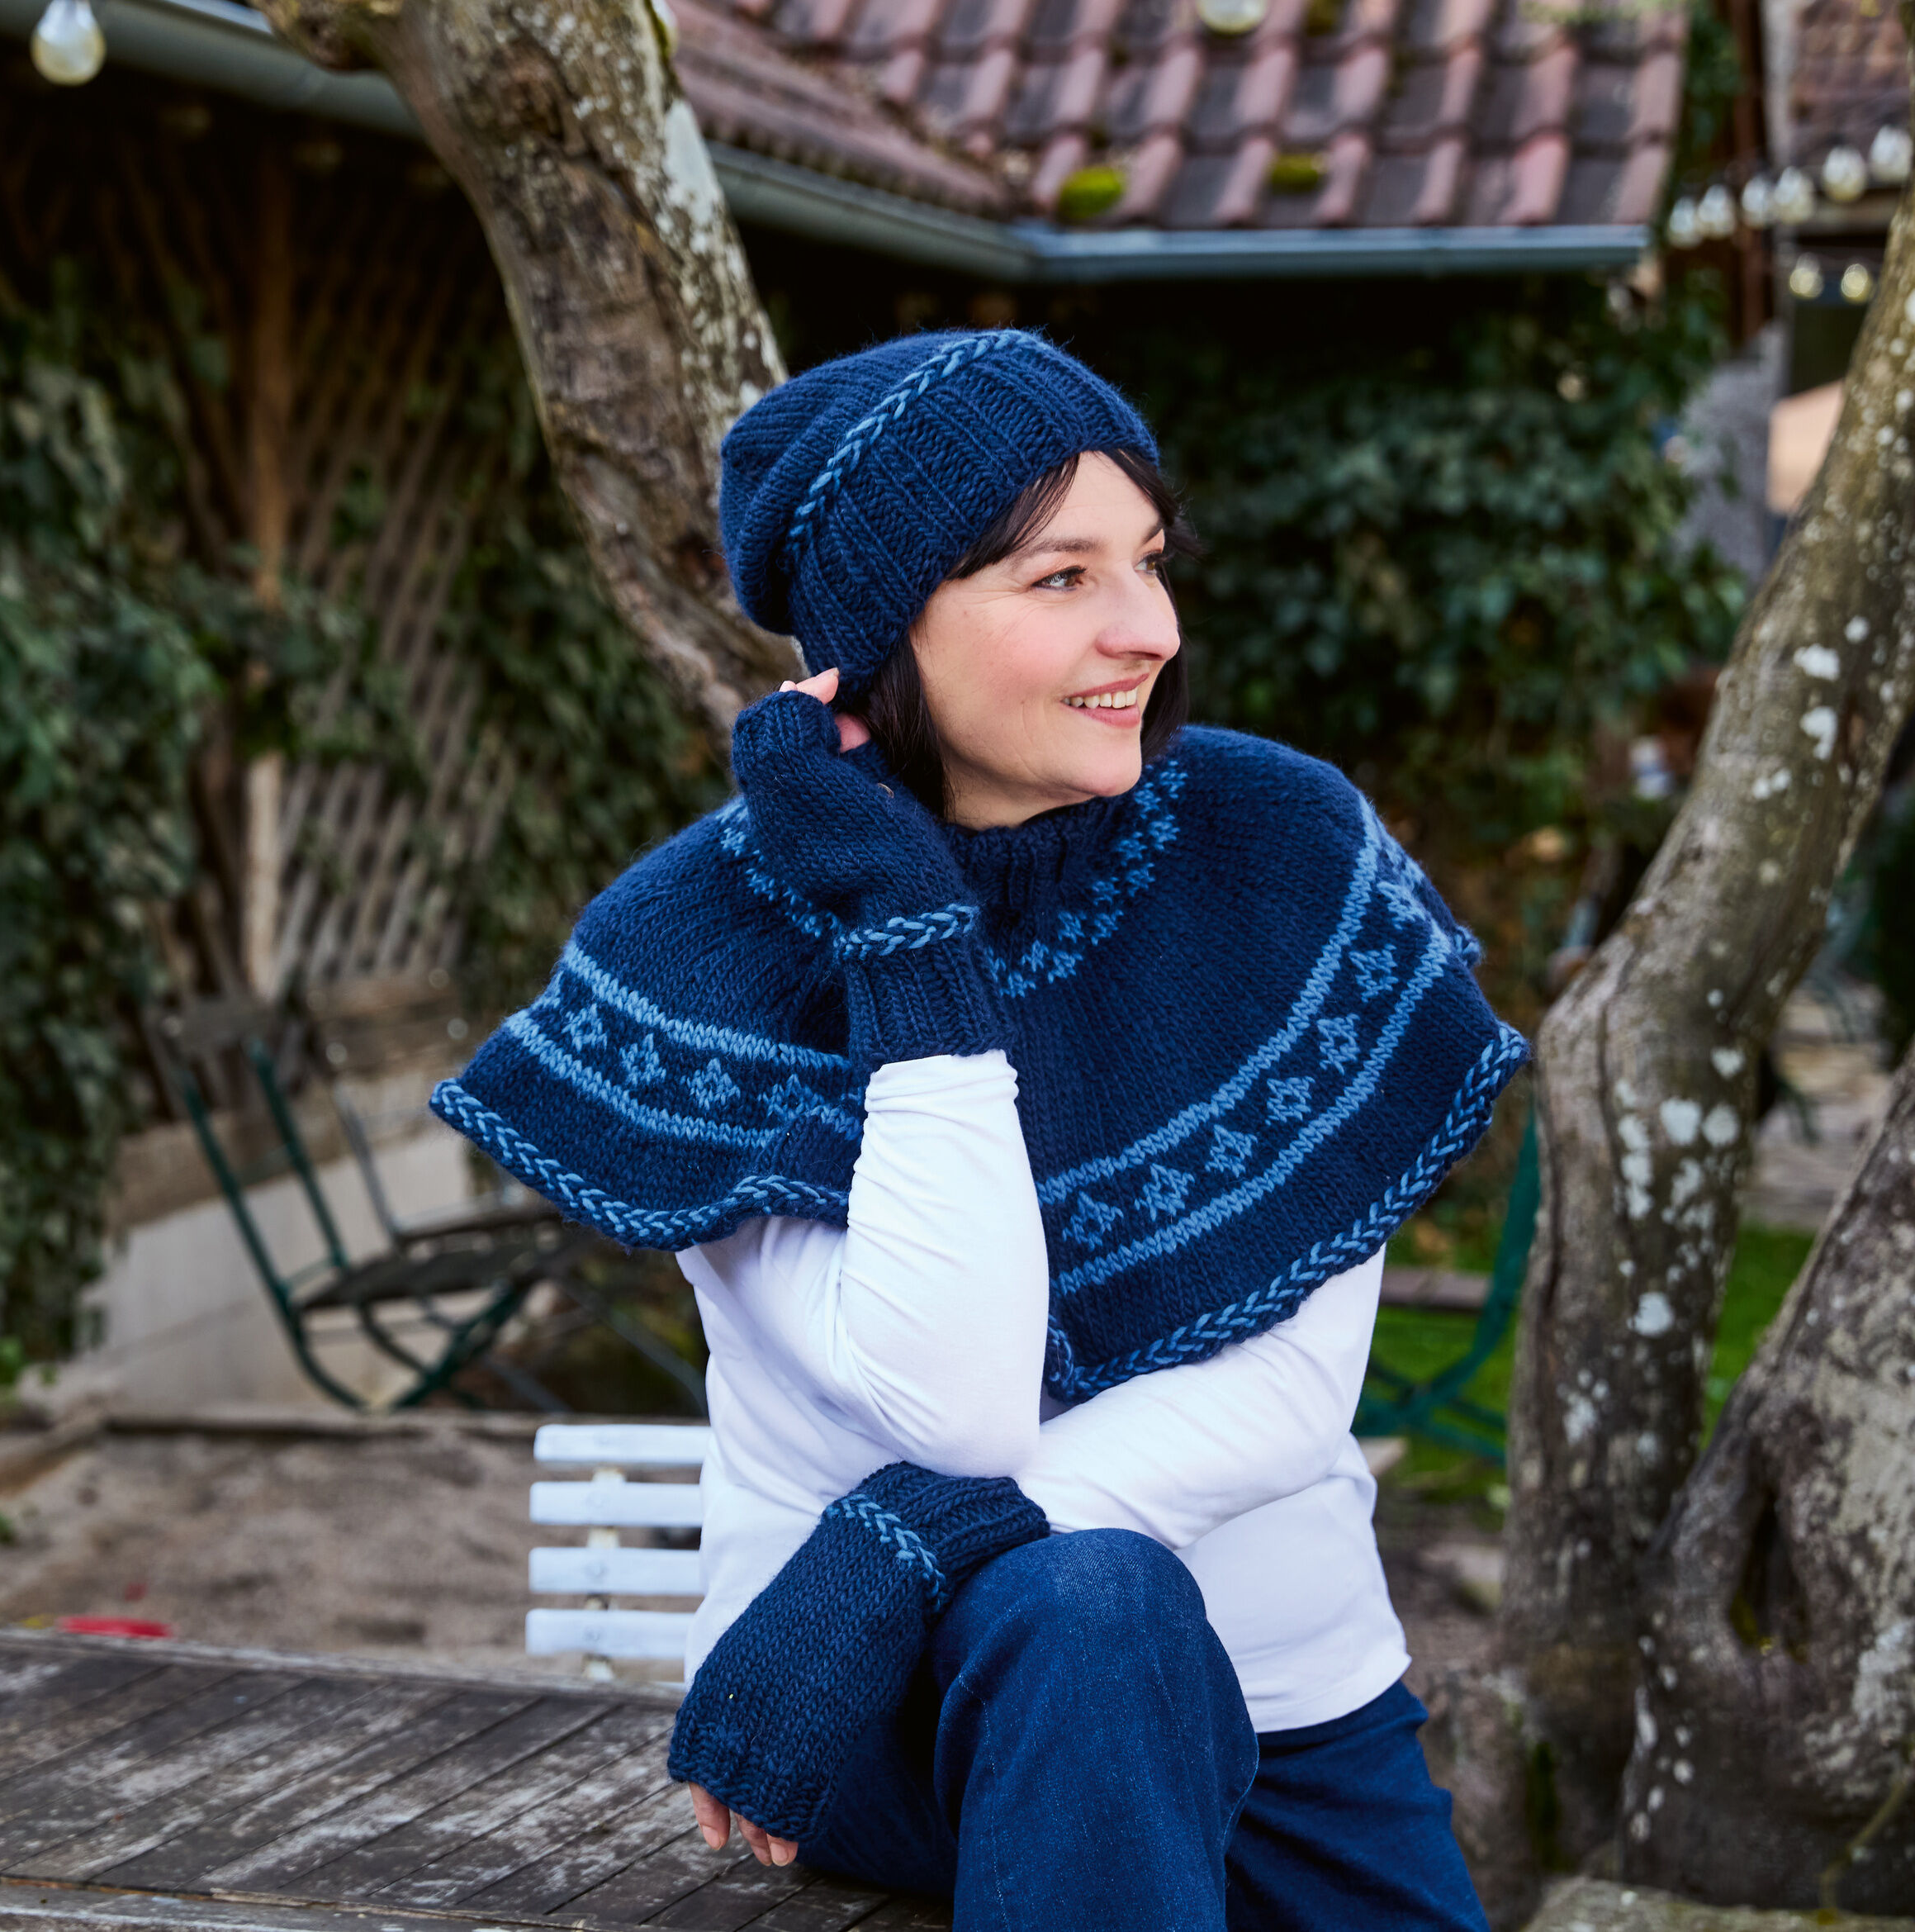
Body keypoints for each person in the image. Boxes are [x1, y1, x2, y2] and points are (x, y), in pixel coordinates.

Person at [432, 330, 1523, 1930]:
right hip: (887, 1716)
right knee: (1092, 1602)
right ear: (892, 629)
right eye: (1060, 577)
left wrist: (893, 1547)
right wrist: (906, 934)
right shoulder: (715, 953)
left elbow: (1288, 1393)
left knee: (1105, 1602)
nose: (1147, 628)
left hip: (1288, 1706)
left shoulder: (1275, 856)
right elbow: (952, 1407)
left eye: (1146, 560)